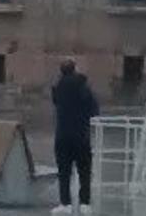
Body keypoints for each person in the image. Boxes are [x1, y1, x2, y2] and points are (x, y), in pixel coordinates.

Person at [51, 60, 99, 215]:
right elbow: (94, 110)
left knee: (64, 171)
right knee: (84, 171)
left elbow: (56, 102)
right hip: (81, 135)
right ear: (75, 70)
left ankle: (65, 204)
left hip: (63, 135)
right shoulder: (84, 87)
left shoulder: (58, 87)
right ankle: (85, 204)